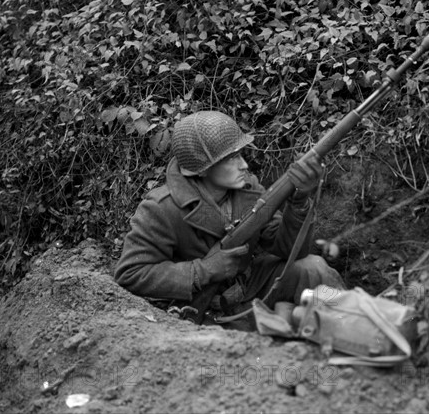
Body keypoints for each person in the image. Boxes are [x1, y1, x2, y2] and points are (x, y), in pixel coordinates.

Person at [114, 110, 345, 325]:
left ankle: (360, 323)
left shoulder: (248, 189)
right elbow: (131, 274)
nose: (244, 165)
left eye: (240, 154)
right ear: (202, 169)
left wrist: (299, 201)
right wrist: (203, 270)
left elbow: (287, 248)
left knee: (313, 267)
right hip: (205, 313)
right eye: (230, 158)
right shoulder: (161, 208)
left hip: (252, 288)